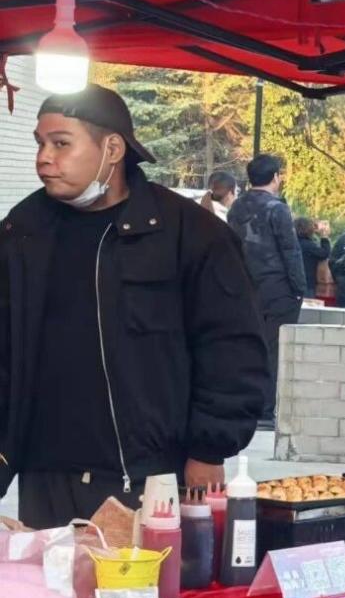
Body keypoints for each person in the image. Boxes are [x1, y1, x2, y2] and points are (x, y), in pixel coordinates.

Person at [2, 85, 268, 528]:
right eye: (40, 143)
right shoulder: (22, 231)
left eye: (61, 143)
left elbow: (231, 346)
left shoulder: (189, 233)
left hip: (150, 473)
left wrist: (209, 449)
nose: (44, 158)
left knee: (146, 576)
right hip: (45, 473)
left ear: (112, 149)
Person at [227, 153, 305, 431]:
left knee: (246, 348)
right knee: (272, 350)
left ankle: (242, 405)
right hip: (277, 289)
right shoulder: (277, 209)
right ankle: (264, 411)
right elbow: (290, 251)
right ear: (275, 177)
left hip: (244, 287)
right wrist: (299, 288)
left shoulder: (236, 207)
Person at [295, 216, 331, 299]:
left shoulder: (292, 242)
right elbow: (324, 253)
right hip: (307, 284)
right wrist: (324, 236)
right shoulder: (308, 245)